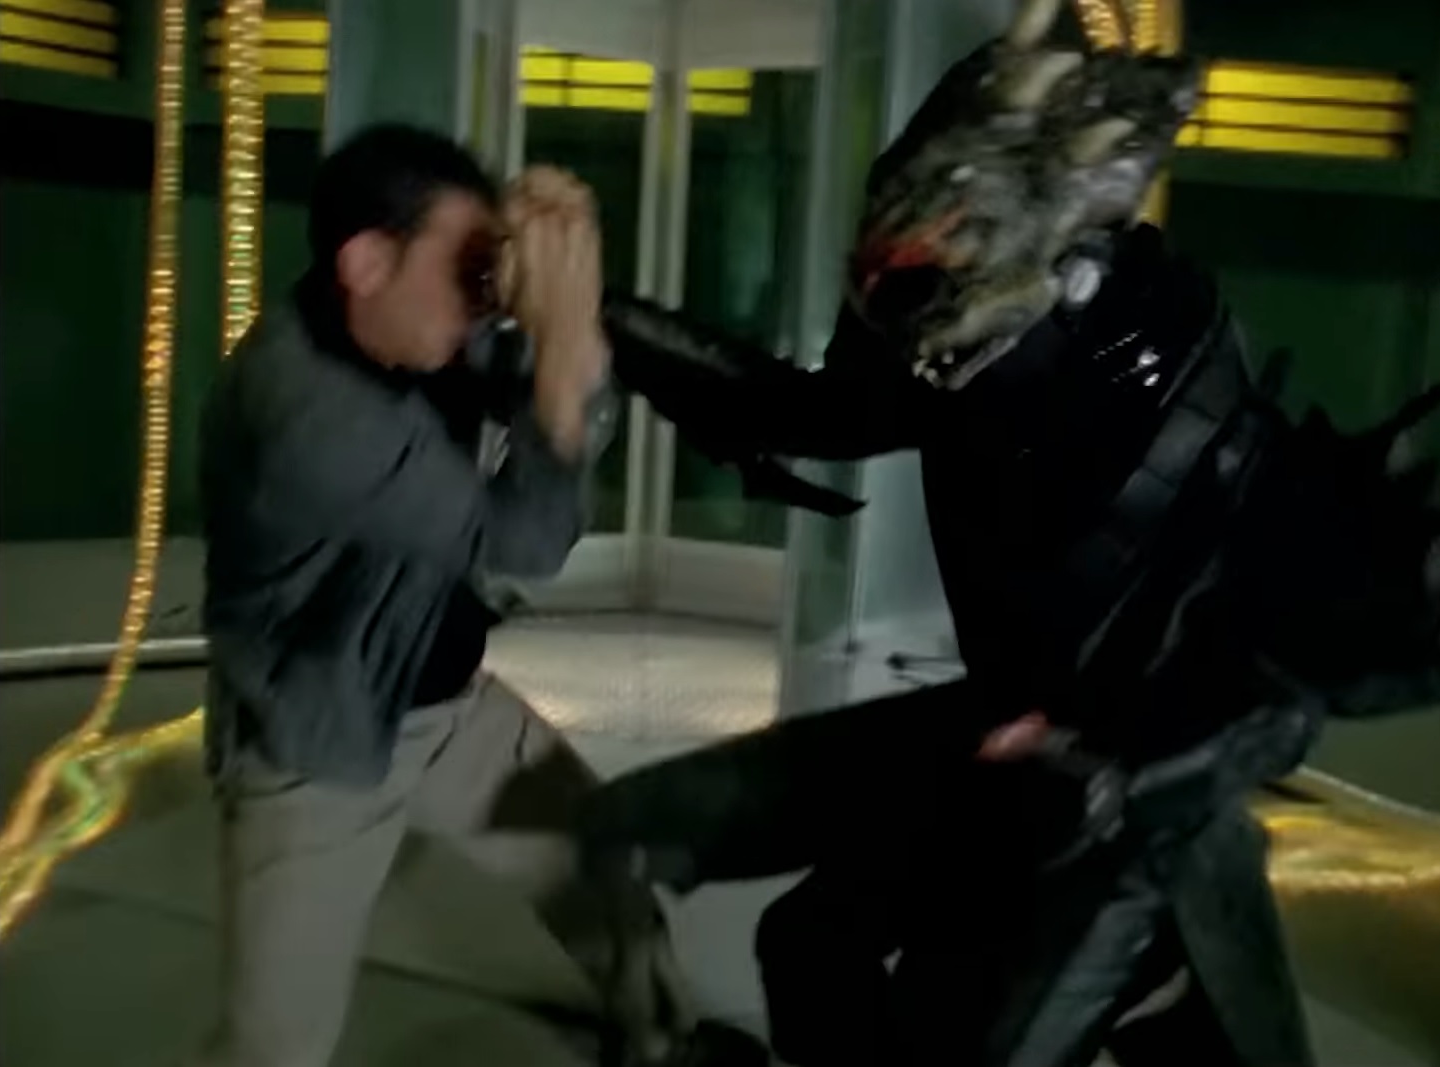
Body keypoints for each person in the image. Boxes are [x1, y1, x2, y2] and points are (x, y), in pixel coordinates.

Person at [583, 1, 1440, 1064]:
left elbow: (1287, 674)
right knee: (798, 932)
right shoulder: (963, 346)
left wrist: (1112, 767)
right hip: (1010, 748)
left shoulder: (1179, 404)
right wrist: (597, 319)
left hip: (1131, 818)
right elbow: (808, 413)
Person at [195, 124, 691, 1067]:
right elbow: (526, 540)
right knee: (275, 1044)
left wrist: (566, 272)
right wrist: (564, 355)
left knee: (604, 860)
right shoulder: (304, 415)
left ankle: (666, 1041)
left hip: (447, 704)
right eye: (463, 267)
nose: (481, 296)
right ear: (367, 262)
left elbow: (549, 383)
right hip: (319, 743)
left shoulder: (413, 331)